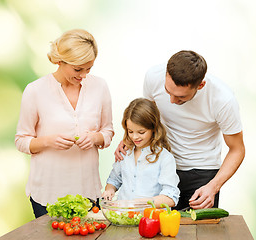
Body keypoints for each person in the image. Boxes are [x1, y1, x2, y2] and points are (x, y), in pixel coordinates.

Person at [115, 50, 245, 210]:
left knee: (199, 233)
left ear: (201, 85)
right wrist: (130, 140)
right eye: (168, 91)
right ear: (165, 74)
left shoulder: (223, 100)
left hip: (202, 173)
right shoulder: (153, 77)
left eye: (181, 97)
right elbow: (148, 118)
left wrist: (213, 186)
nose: (171, 100)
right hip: (159, 166)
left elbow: (237, 149)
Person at [15, 29, 114, 218]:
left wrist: (95, 138)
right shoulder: (35, 91)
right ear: (60, 61)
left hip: (88, 191)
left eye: (89, 69)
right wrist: (48, 141)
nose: (84, 75)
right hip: (48, 193)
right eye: (78, 69)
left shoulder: (100, 87)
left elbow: (108, 131)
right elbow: (21, 140)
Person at [103, 98, 180, 207]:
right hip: (123, 215)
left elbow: (170, 197)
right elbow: (114, 180)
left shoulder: (165, 158)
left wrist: (137, 204)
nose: (134, 137)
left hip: (149, 218)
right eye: (130, 131)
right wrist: (109, 191)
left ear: (153, 128)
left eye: (141, 132)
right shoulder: (125, 152)